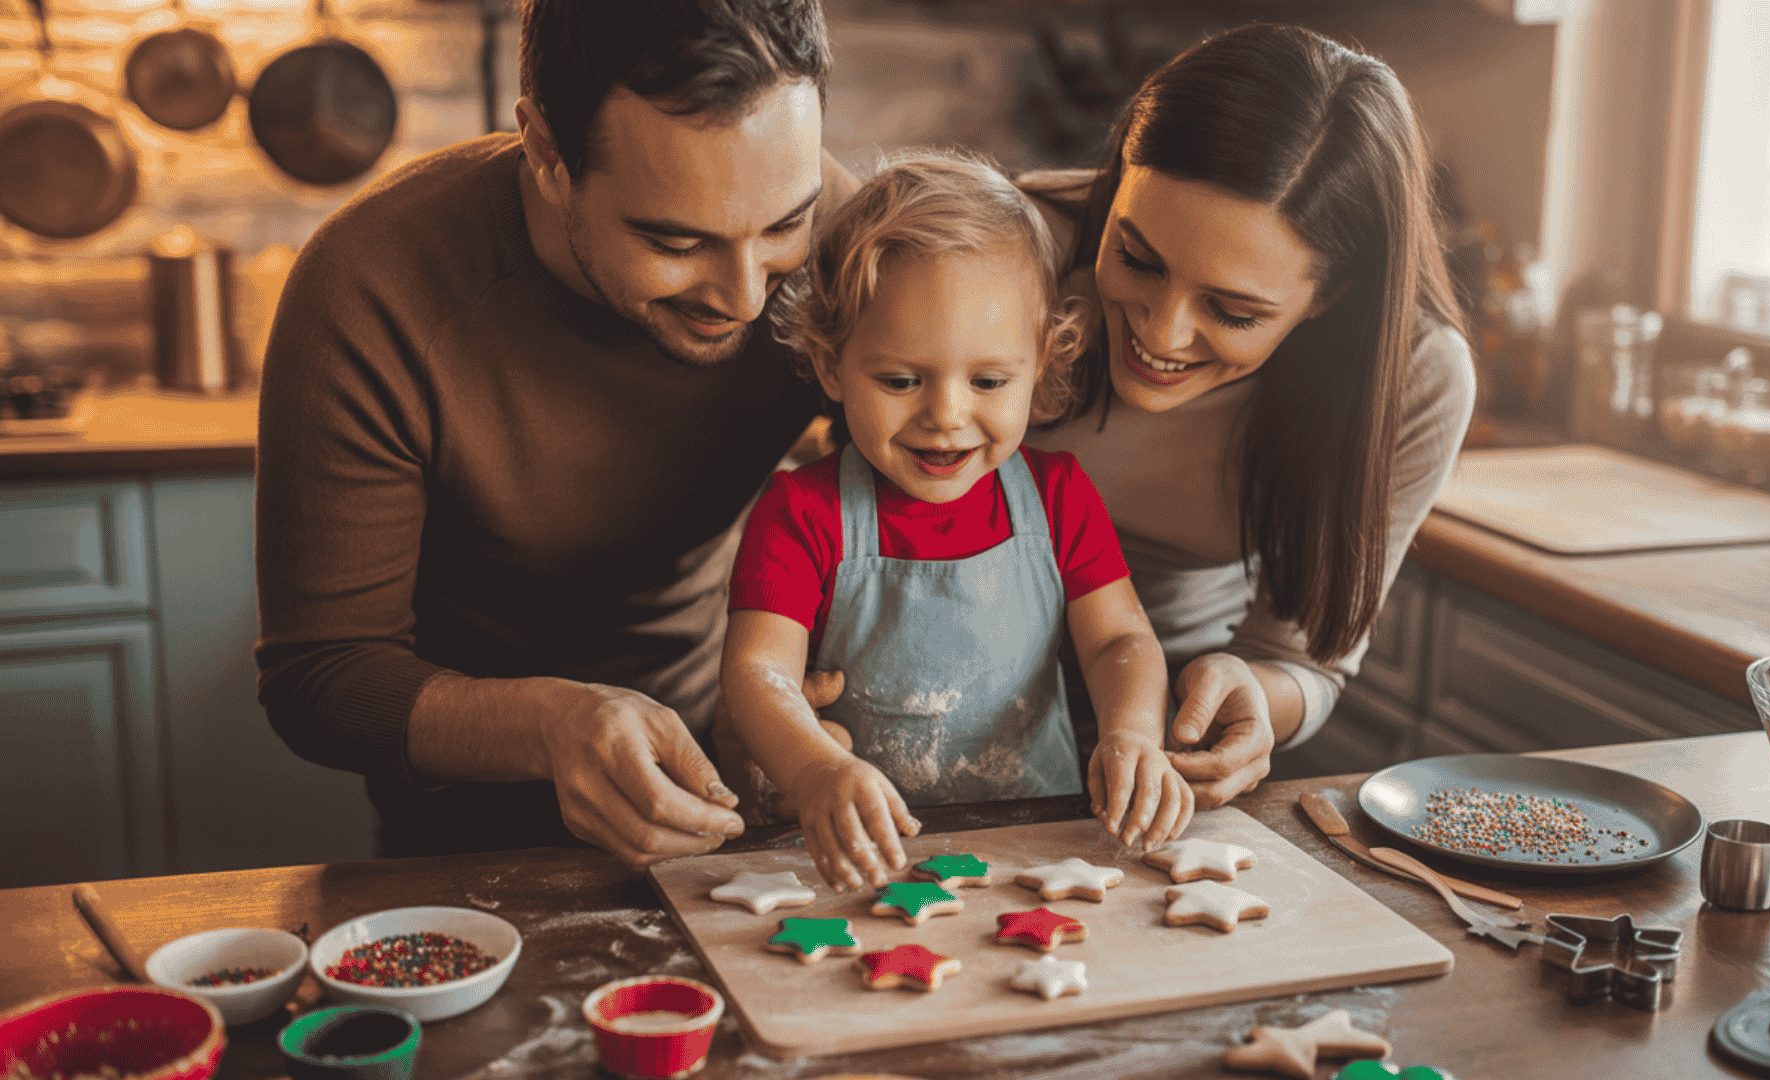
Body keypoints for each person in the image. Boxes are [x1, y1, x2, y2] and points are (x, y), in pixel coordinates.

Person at [254, 0, 858, 864]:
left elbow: (939, 474)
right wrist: (548, 727)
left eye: (783, 226)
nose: (745, 298)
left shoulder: (842, 238)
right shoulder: (369, 290)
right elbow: (321, 675)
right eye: (673, 240)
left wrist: (777, 687)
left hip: (740, 779)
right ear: (546, 152)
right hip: (467, 838)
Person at [1018, 23, 1477, 806]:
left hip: (1155, 737)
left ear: (1327, 299)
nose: (1159, 334)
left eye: (1231, 311)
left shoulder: (1411, 378)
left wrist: (1251, 697)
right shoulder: (1013, 250)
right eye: (1135, 258)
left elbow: (1307, 661)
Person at [719, 152, 1193, 892]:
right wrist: (814, 770)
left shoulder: (1060, 497)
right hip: (863, 864)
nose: (945, 416)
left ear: (1040, 365)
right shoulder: (802, 513)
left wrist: (1133, 734)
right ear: (832, 364)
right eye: (902, 380)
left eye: (989, 381)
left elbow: (1122, 640)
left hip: (1042, 856)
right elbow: (756, 673)